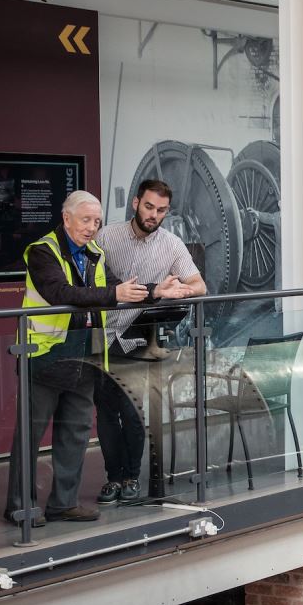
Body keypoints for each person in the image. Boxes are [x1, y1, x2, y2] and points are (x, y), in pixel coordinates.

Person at [4, 190, 183, 527]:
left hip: (85, 356)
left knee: (75, 433)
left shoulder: (95, 253)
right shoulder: (43, 252)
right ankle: (20, 506)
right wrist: (114, 294)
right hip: (43, 356)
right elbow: (61, 293)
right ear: (66, 217)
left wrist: (154, 290)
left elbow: (118, 290)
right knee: (30, 436)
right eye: (85, 220)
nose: (91, 227)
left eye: (97, 222)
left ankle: (64, 503)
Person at [94, 179, 203, 506]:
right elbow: (90, 281)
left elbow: (200, 286)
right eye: (149, 207)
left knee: (133, 411)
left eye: (161, 210)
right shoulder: (106, 237)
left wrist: (179, 291)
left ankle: (130, 477)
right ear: (135, 203)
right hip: (101, 337)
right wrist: (157, 290)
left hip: (140, 336)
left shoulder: (171, 244)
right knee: (105, 414)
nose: (154, 215)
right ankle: (113, 478)